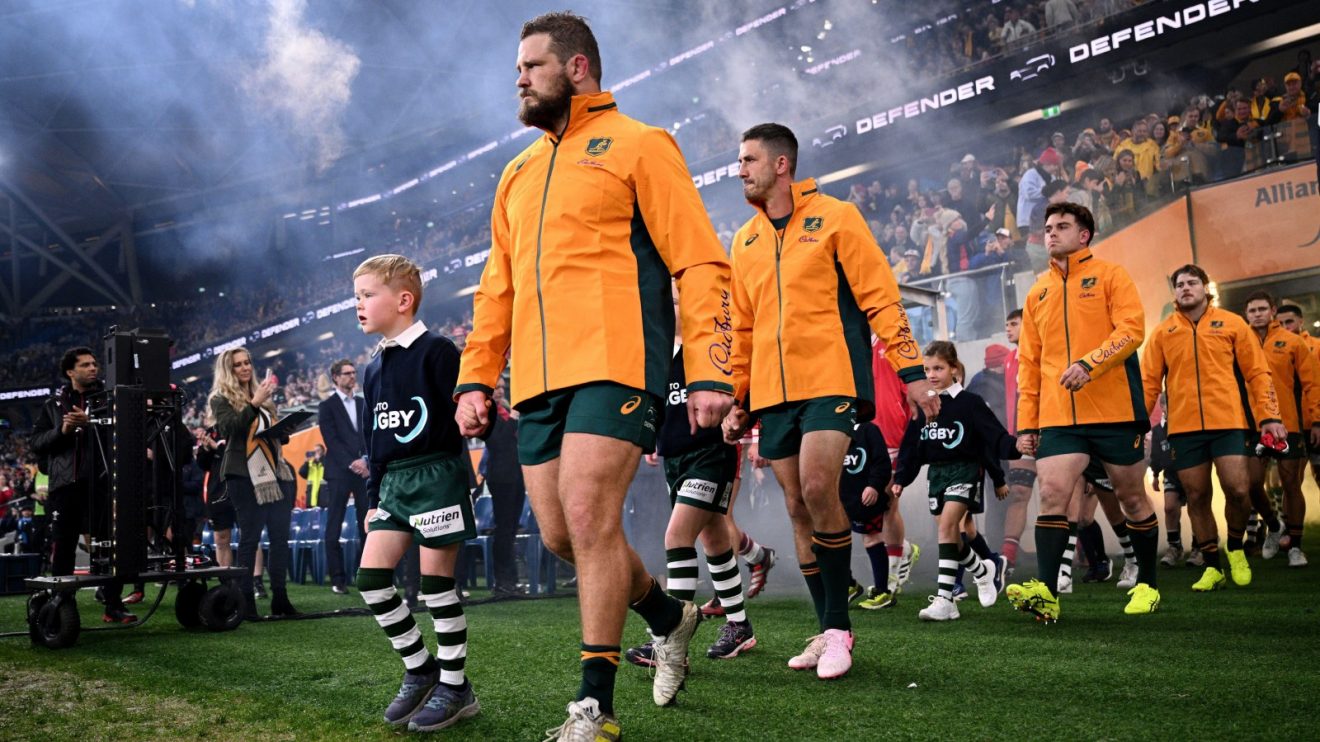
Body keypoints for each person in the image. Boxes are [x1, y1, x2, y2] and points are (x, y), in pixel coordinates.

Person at [451, 13, 734, 739]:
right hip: (537, 380)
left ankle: (595, 708)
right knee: (559, 536)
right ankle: (669, 616)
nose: (519, 78)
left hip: (618, 361)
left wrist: (709, 366)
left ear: (577, 68)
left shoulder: (641, 143)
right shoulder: (516, 173)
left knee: (587, 517)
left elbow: (700, 260)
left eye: (532, 65)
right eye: (518, 68)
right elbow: (497, 289)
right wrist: (476, 377)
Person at [721, 122, 937, 678]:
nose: (740, 170)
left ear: (781, 164)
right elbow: (742, 329)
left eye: (748, 160)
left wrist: (912, 372)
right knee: (797, 506)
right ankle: (826, 630)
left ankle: (840, 630)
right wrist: (739, 398)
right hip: (773, 395)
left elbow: (881, 298)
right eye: (739, 161)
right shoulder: (743, 241)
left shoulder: (837, 217)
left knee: (820, 488)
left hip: (832, 379)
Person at [1007, 202, 1162, 622]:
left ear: (1084, 234)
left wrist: (1090, 364)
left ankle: (1147, 585)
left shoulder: (1112, 275)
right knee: (1052, 494)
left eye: (1062, 226)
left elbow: (1131, 331)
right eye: (1047, 228)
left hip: (1115, 412)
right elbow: (1030, 365)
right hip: (1060, 417)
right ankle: (1046, 593)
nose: (1051, 234)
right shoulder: (1037, 292)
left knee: (1131, 498)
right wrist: (1027, 424)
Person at [353, 254, 481, 732]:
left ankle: (456, 686)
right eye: (357, 297)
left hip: (437, 476)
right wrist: (373, 500)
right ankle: (421, 669)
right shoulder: (372, 368)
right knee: (371, 580)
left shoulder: (439, 351)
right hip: (393, 484)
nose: (359, 305)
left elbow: (465, 419)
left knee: (436, 587)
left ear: (403, 300)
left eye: (367, 295)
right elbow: (373, 444)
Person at [626, 285, 757, 667]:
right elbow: (656, 404)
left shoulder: (711, 347)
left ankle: (670, 639)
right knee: (713, 539)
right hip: (675, 459)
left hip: (711, 453)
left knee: (677, 536)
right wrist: (652, 439)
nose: (664, 307)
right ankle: (739, 625)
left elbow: (744, 383)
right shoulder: (658, 350)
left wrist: (742, 418)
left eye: (673, 300)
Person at [1140, 265, 1285, 592]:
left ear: (1206, 288)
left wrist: (1269, 416)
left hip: (1229, 422)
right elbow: (1148, 384)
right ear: (1175, 292)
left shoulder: (1233, 324)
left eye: (1192, 282)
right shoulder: (1163, 332)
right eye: (1179, 284)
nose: (1185, 288)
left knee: (1239, 489)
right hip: (1184, 428)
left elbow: (1257, 373)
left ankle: (1234, 548)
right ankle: (1211, 566)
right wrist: (1137, 425)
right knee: (1196, 495)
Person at [893, 341, 1019, 621]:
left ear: (953, 368)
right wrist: (901, 477)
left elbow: (993, 437)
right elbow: (911, 445)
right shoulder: (924, 406)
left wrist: (1014, 448)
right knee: (952, 536)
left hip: (965, 470)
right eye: (927, 370)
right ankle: (984, 570)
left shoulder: (970, 403)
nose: (932, 375)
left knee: (948, 527)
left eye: (938, 368)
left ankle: (945, 599)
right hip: (936, 474)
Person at [29, 347, 134, 623]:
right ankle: (62, 604)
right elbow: (35, 442)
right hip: (65, 486)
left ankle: (113, 605)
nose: (93, 368)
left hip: (103, 483)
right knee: (64, 546)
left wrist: (92, 423)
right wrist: (62, 431)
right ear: (70, 372)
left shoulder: (110, 398)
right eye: (85, 365)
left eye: (94, 363)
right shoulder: (53, 404)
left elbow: (127, 432)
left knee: (110, 545)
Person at [209, 348, 299, 619]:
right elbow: (229, 429)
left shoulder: (262, 395)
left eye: (247, 362)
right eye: (238, 365)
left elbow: (271, 435)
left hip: (277, 471)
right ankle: (246, 602)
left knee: (280, 538)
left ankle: (281, 599)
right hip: (242, 473)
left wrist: (284, 431)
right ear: (228, 370)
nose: (245, 368)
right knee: (250, 539)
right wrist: (255, 403)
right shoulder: (220, 398)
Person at [1242, 291, 1319, 567]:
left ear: (1272, 310)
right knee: (1252, 484)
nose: (1257, 314)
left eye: (1262, 309)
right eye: (1252, 311)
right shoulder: (1240, 341)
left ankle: (1295, 546)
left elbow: (1312, 385)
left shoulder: (1293, 342)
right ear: (1246, 314)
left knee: (1290, 485)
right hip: (1253, 426)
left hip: (1288, 424)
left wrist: (1316, 421)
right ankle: (1274, 527)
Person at [317, 358, 369, 595]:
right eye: (347, 373)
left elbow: (368, 434)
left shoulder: (363, 403)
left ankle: (365, 573)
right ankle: (338, 578)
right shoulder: (327, 406)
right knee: (334, 525)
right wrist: (353, 462)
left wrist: (365, 460)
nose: (352, 376)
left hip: (363, 470)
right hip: (339, 472)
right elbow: (331, 440)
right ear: (336, 378)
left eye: (353, 372)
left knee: (367, 522)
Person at [838, 420, 893, 608]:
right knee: (836, 541)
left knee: (872, 539)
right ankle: (848, 584)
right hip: (839, 498)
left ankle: (883, 592)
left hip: (865, 498)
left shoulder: (868, 430)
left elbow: (882, 462)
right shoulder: (833, 429)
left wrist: (874, 485)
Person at [482, 385, 526, 596]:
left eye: (501, 387)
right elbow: (498, 441)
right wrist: (515, 418)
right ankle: (501, 580)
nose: (500, 391)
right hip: (501, 478)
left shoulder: (505, 411)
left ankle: (512, 580)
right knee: (504, 528)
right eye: (495, 388)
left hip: (517, 475)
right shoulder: (488, 412)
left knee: (512, 529)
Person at [298, 444, 326, 508]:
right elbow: (302, 472)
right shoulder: (310, 464)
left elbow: (330, 469)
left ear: (323, 452)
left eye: (318, 450)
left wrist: (321, 459)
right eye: (314, 451)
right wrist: (306, 462)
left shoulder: (327, 462)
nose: (316, 453)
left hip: (323, 498)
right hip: (311, 500)